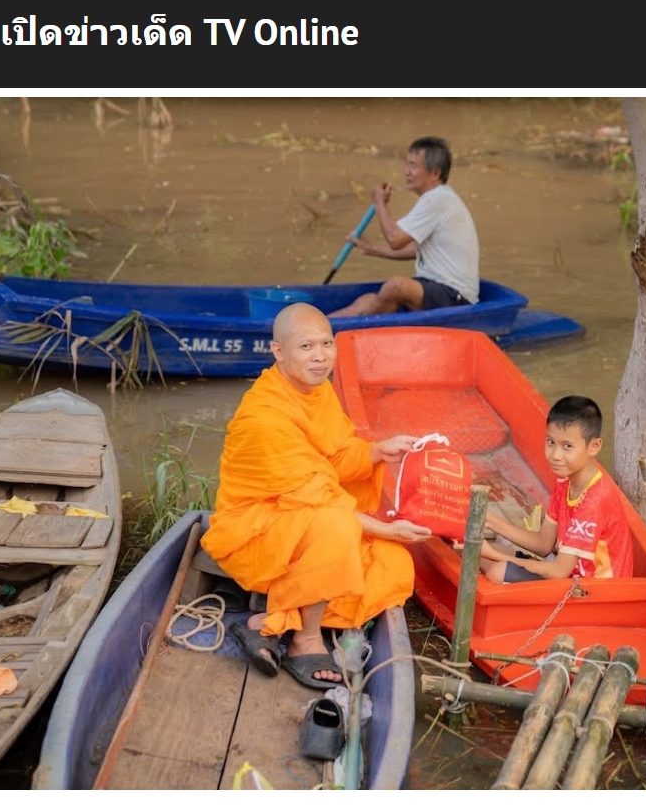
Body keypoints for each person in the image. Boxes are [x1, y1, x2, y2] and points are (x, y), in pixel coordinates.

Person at [201, 302, 433, 689]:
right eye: (307, 347)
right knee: (341, 527)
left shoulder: (316, 390)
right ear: (278, 352)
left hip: (305, 516)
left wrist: (376, 450)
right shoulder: (264, 415)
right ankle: (304, 640)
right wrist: (384, 528)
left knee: (390, 563)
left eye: (327, 343)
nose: (321, 356)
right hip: (255, 528)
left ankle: (268, 624)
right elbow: (319, 499)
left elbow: (336, 456)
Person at [475, 395, 634, 583]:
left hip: (593, 591)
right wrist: (490, 521)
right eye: (551, 442)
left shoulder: (595, 499)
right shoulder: (564, 483)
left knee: (496, 569)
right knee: (479, 553)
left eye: (567, 446)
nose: (556, 455)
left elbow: (558, 571)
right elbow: (543, 544)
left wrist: (494, 554)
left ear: (594, 447)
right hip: (568, 573)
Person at [327, 136, 480, 318]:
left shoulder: (436, 199)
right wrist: (370, 249)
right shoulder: (436, 199)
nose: (406, 172)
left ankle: (367, 323)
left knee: (395, 286)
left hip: (455, 296)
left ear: (435, 173)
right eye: (407, 165)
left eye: (413, 166)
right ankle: (321, 326)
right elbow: (414, 251)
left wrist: (380, 204)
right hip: (433, 287)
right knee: (368, 300)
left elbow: (395, 240)